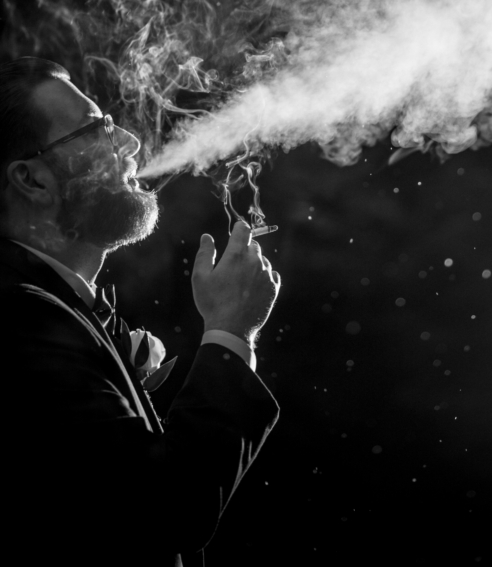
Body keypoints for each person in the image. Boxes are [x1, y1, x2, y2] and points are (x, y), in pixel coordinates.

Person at [0, 56, 281, 567]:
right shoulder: (20, 317)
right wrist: (230, 331)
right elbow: (166, 510)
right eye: (95, 129)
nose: (128, 142)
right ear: (33, 181)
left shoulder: (52, 308)